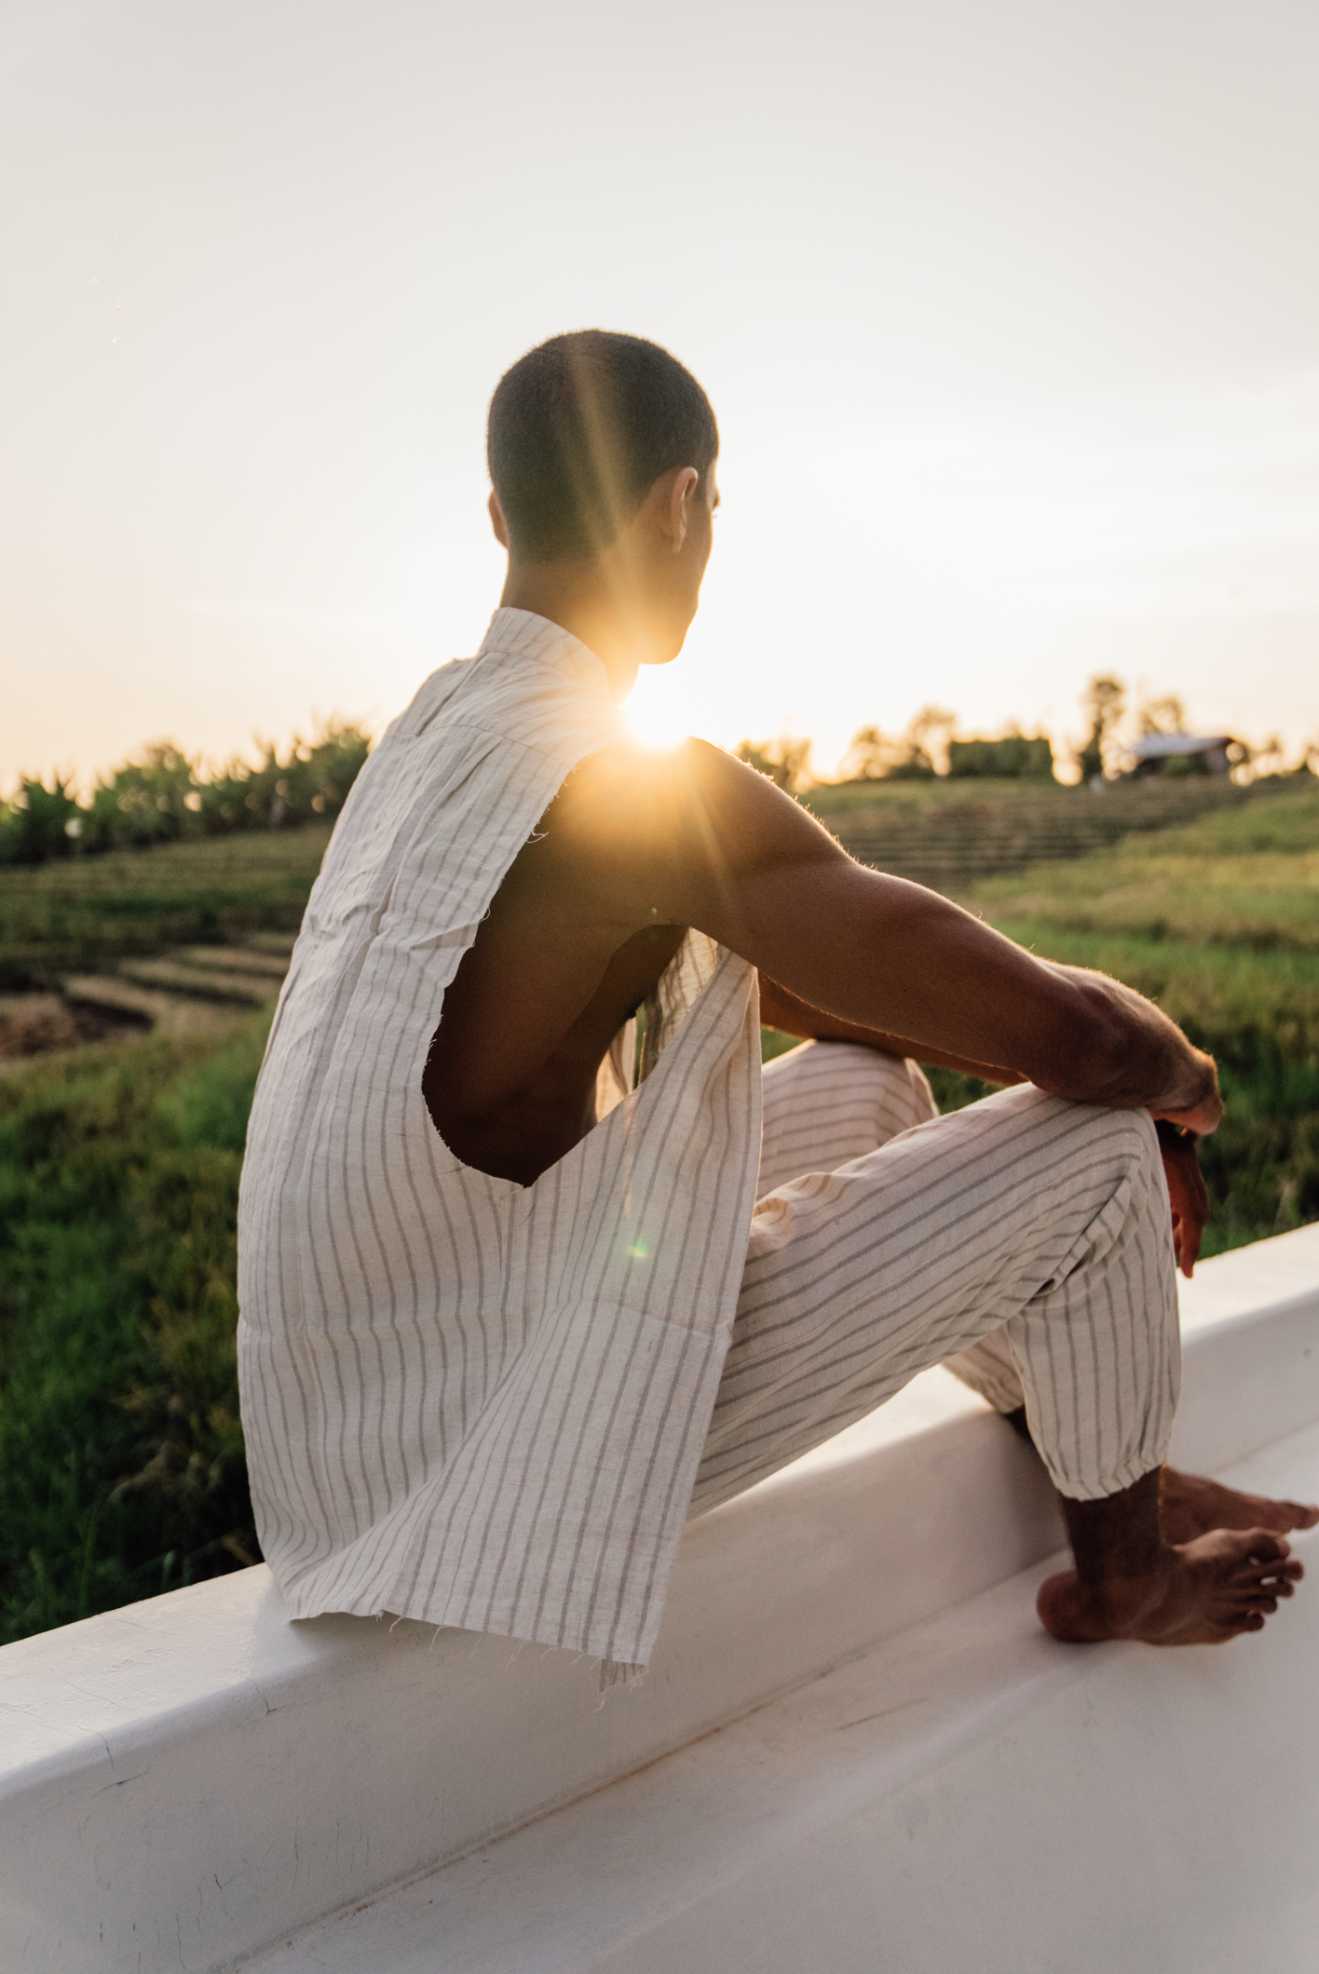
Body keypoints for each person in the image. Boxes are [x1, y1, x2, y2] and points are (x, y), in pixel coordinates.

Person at [236, 331, 1310, 1694]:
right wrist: (1184, 1087)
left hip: (353, 1430)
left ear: (503, 518)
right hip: (496, 1439)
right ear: (681, 505)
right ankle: (1125, 1576)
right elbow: (1087, 1045)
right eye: (714, 512)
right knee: (1098, 1148)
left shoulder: (430, 739)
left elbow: (830, 985)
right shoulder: (622, 784)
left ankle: (1095, 1444)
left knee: (868, 1080)